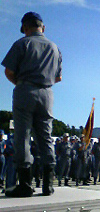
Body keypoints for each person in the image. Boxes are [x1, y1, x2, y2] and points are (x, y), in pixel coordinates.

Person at [1, 11, 62, 197]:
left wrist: (22, 84)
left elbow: (9, 71)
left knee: (23, 136)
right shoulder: (55, 48)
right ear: (43, 28)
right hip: (47, 93)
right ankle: (48, 185)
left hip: (25, 91)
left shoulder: (22, 43)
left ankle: (25, 184)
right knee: (45, 136)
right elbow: (58, 77)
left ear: (26, 28)